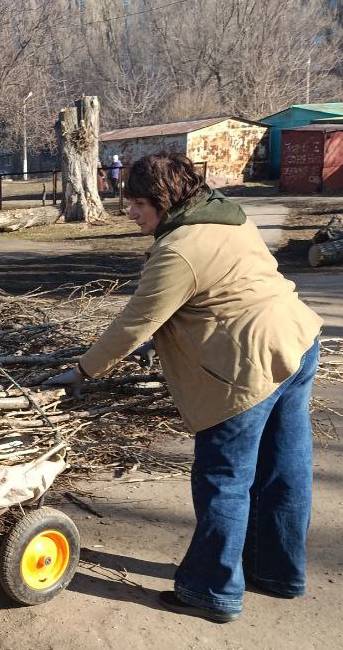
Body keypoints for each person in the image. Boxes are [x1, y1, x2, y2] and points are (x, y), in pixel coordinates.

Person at [45, 152, 322, 624]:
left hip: (247, 367)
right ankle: (276, 573)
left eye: (137, 204)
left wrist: (83, 371)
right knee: (283, 469)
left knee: (224, 479)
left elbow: (134, 322)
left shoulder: (177, 250)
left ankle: (212, 590)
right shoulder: (225, 214)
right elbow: (221, 288)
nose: (130, 213)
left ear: (163, 200)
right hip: (296, 341)